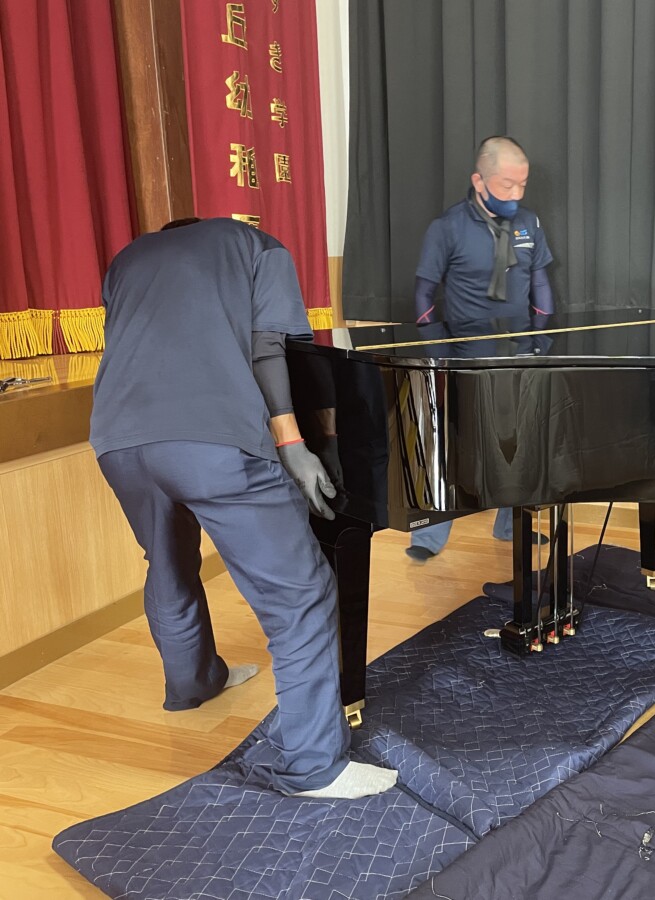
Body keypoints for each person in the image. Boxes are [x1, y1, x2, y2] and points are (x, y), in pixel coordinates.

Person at [90, 216, 397, 799]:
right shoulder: (258, 246)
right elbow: (269, 350)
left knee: (168, 562)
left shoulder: (128, 259)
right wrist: (293, 444)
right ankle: (313, 766)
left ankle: (194, 683)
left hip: (116, 440)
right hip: (215, 440)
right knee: (301, 593)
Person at [407, 135, 555, 562]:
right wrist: (437, 352)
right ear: (479, 180)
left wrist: (540, 338)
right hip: (466, 356)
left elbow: (541, 284)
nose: (516, 194)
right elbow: (424, 294)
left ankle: (512, 526)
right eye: (507, 185)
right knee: (451, 447)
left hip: (519, 352)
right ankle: (428, 537)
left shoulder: (529, 222)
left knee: (518, 446)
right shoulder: (447, 228)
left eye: (522, 185)